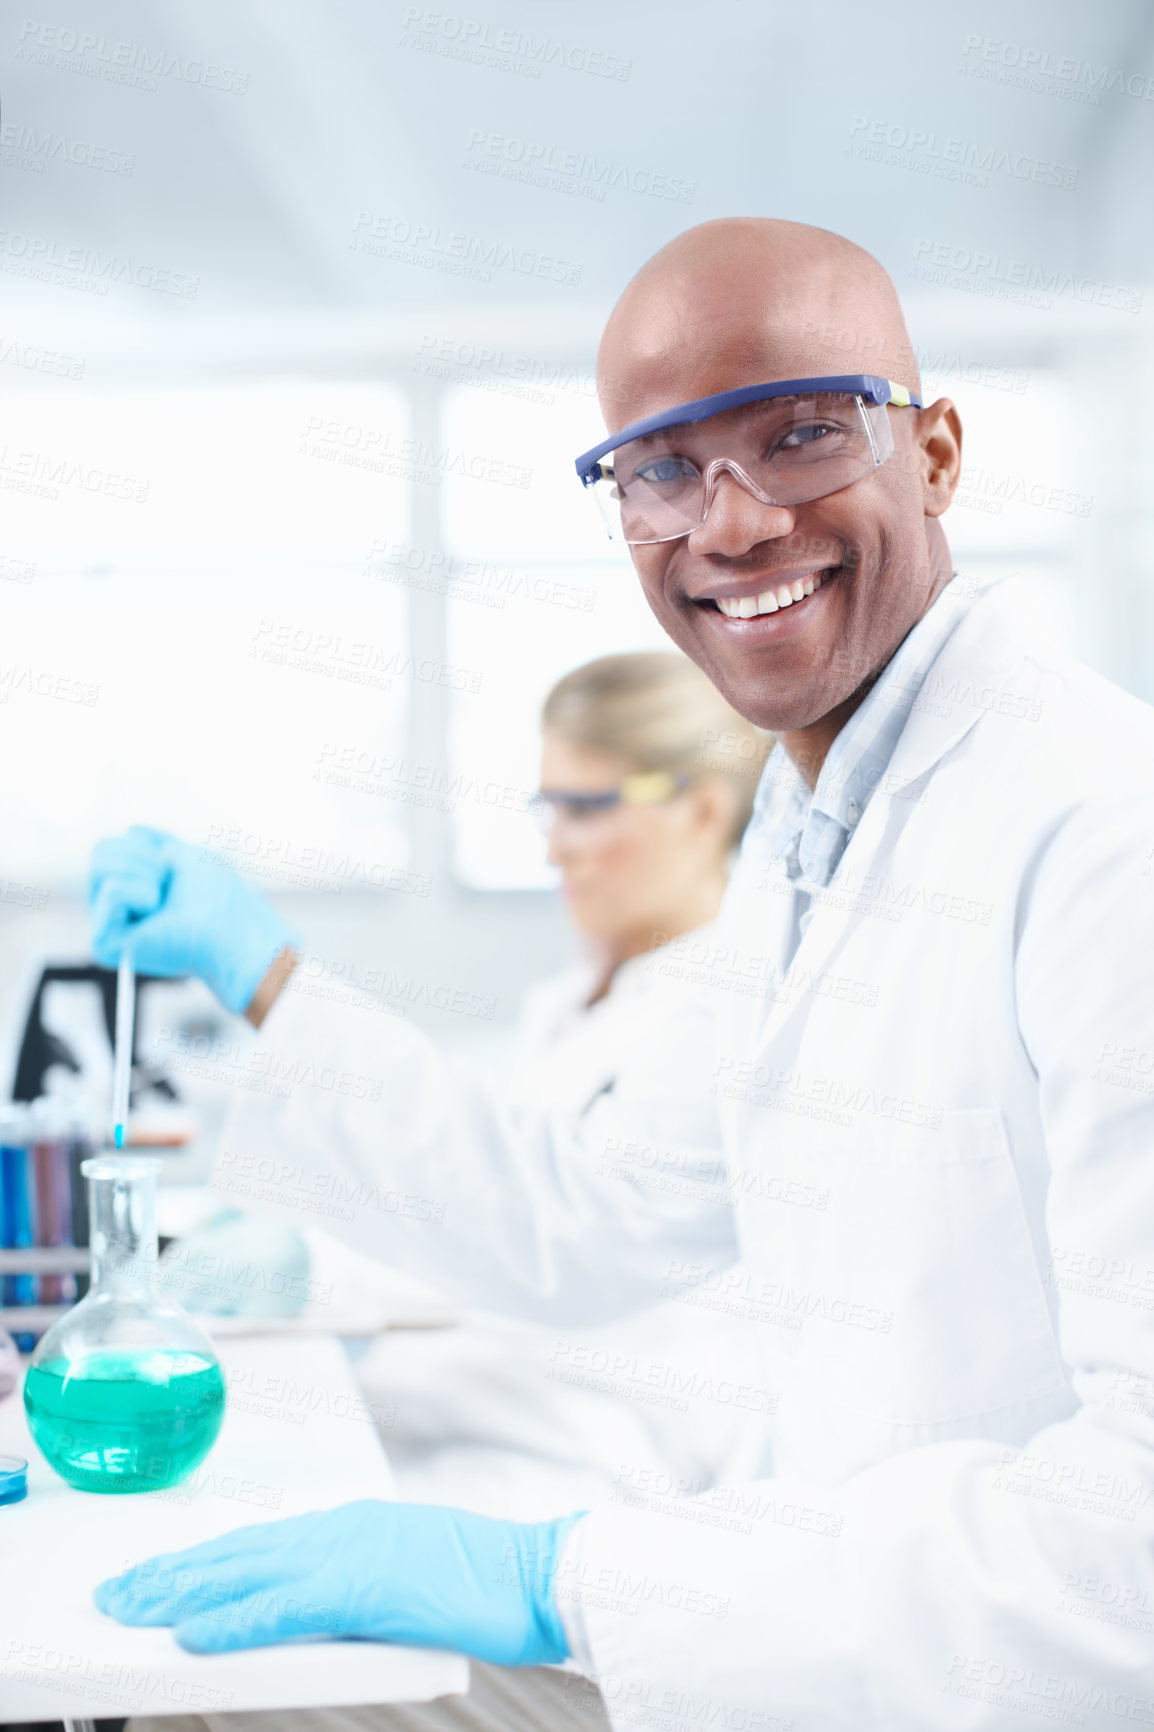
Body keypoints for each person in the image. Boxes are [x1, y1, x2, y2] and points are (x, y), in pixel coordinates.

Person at [90, 218, 1154, 1732]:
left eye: (800, 434)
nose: (732, 524)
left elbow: (1132, 1548)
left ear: (933, 455)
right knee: (197, 1674)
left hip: (991, 1667)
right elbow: (589, 1212)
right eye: (659, 468)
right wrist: (267, 980)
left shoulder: (1102, 828)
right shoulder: (813, 834)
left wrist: (561, 1580)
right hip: (832, 1628)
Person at [358, 651, 772, 1519]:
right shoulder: (569, 1004)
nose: (553, 847)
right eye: (548, 807)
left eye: (586, 809)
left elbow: (563, 1246)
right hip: (484, 1417)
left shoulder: (736, 1010)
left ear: (703, 809)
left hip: (605, 1462)